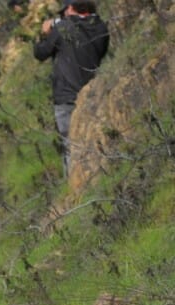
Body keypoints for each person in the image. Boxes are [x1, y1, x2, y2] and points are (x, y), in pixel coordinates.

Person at [33, 0, 109, 176]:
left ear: (71, 8)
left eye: (65, 10)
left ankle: (74, 192)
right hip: (92, 93)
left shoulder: (63, 28)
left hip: (66, 98)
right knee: (96, 140)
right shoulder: (101, 27)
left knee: (70, 147)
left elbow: (40, 53)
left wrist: (45, 33)